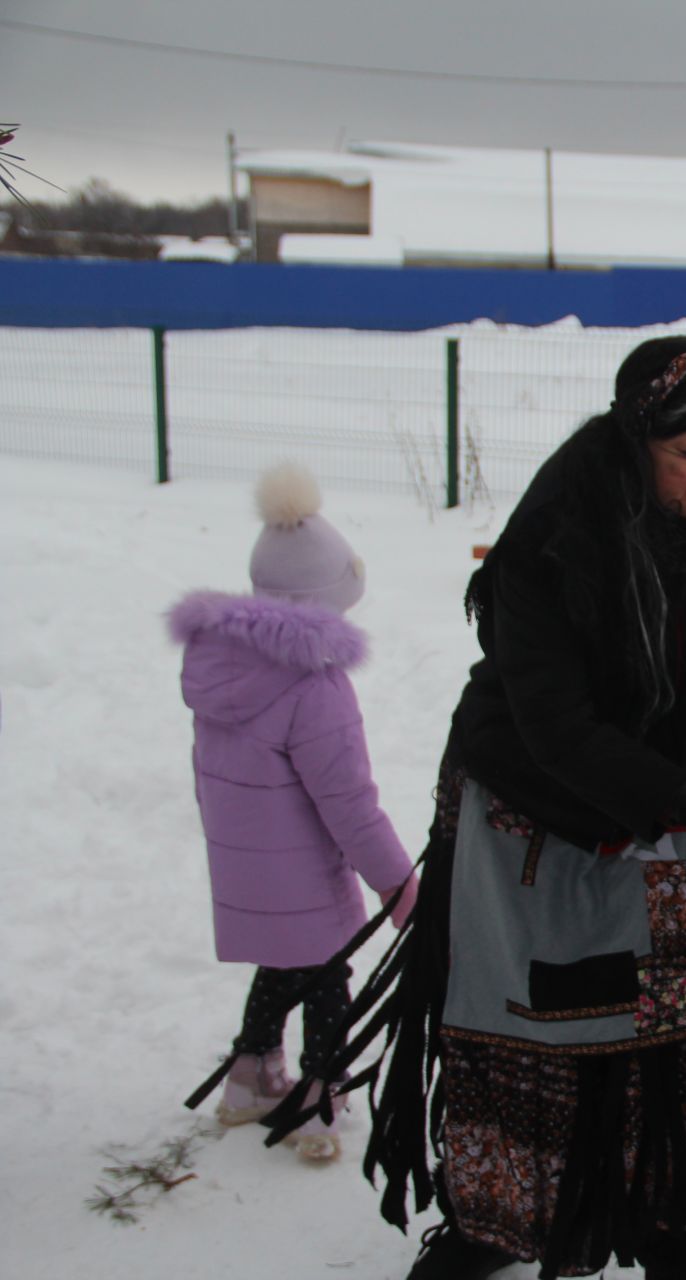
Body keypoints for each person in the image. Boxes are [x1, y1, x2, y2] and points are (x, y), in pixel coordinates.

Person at [275, 338, 686, 1280]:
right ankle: (499, 1221)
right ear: (637, 444)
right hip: (536, 815)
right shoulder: (561, 540)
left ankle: (675, 1221)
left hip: (676, 807)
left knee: (677, 1026)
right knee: (551, 1029)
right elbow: (557, 729)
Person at [171, 463, 419, 1163]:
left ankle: (249, 1076)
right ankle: (317, 1097)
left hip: (242, 857)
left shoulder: (218, 661)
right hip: (304, 864)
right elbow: (348, 803)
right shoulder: (316, 685)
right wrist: (398, 883)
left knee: (283, 961)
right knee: (327, 973)